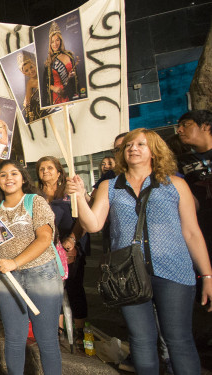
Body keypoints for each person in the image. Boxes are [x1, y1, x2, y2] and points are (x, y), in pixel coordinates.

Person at [67, 128, 212, 374]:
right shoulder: (109, 186)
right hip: (127, 274)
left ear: (154, 151)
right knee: (142, 342)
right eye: (129, 146)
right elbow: (93, 225)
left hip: (174, 271)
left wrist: (207, 276)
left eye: (141, 144)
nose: (133, 148)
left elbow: (192, 232)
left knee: (179, 340)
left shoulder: (175, 184)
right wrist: (80, 197)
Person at [0, 160, 61, 375]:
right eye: (3, 175)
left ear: (23, 178)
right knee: (13, 339)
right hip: (8, 280)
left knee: (47, 339)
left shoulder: (35, 202)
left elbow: (45, 238)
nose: (9, 178)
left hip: (42, 275)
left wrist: (15, 262)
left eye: (14, 173)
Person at [35, 156, 88, 344]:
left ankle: (80, 331)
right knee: (51, 291)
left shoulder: (69, 192)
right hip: (44, 249)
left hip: (69, 246)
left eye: (50, 168)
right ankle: (57, 329)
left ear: (59, 172)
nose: (45, 171)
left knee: (74, 288)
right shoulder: (35, 195)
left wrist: (72, 241)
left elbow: (82, 219)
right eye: (42, 169)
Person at [176, 110, 212, 263]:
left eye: (186, 125)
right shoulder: (179, 162)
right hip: (200, 228)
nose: (180, 130)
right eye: (179, 126)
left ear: (205, 126)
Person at [43, 21, 78, 106]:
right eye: (52, 41)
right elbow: (45, 83)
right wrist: (54, 88)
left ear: (61, 40)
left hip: (70, 91)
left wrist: (72, 76)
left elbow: (76, 76)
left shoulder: (69, 55)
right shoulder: (49, 61)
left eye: (57, 40)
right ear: (50, 44)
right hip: (57, 95)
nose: (55, 44)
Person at [18, 52, 48, 123]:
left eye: (31, 67)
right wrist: (26, 102)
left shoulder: (43, 72)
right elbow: (28, 98)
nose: (30, 71)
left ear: (35, 65)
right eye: (26, 70)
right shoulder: (30, 83)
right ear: (24, 73)